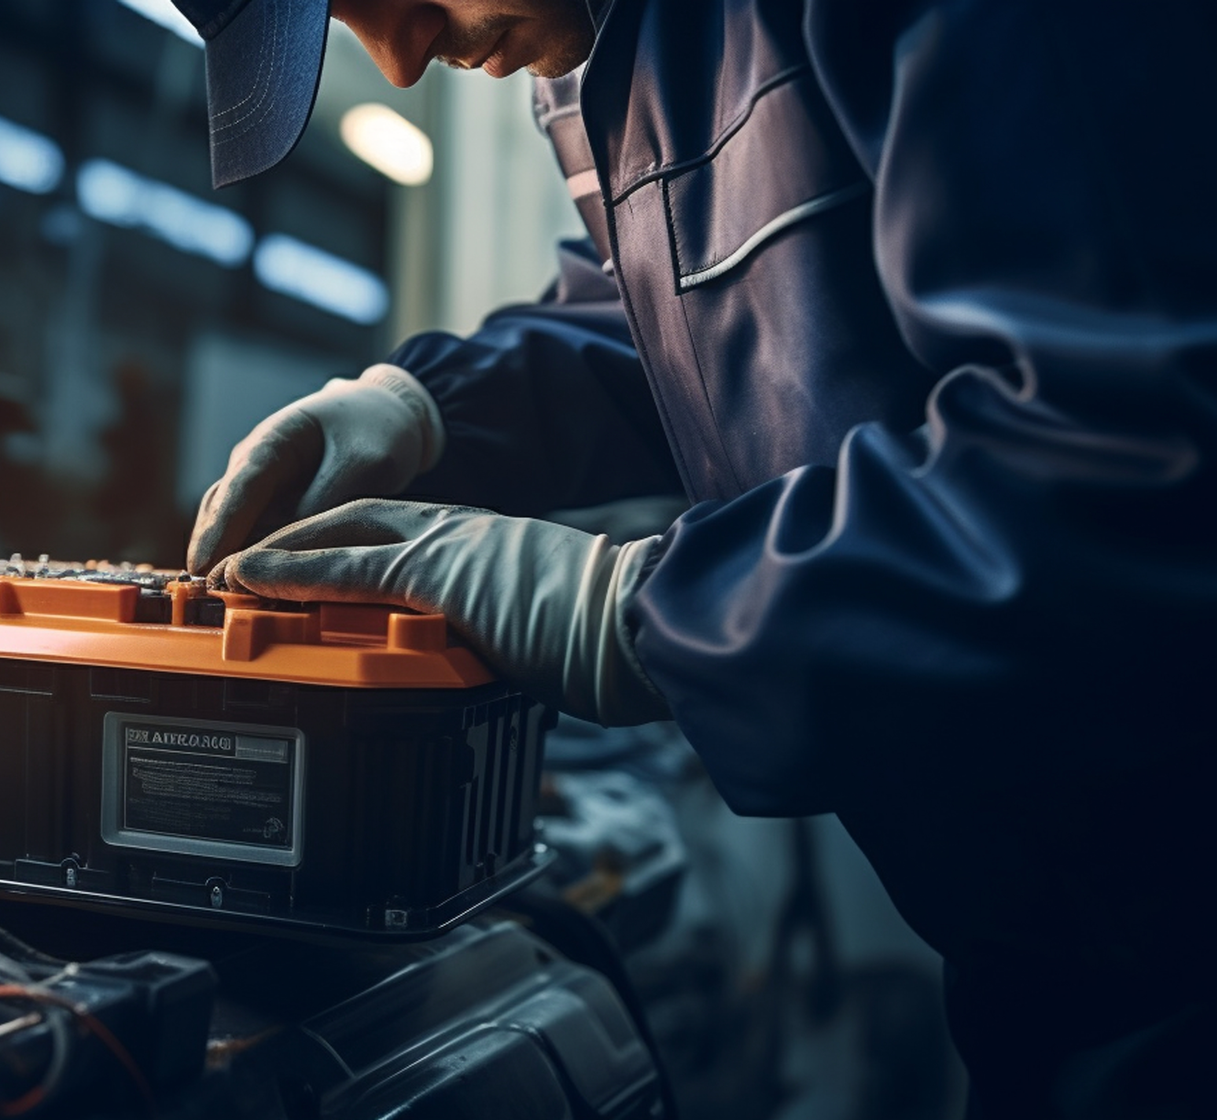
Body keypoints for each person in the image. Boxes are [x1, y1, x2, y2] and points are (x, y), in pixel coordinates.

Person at [167, 0, 1217, 1116]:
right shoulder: (597, 46)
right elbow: (680, 301)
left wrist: (635, 611)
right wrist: (427, 408)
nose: (400, 56)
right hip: (1045, 947)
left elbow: (1125, 469)